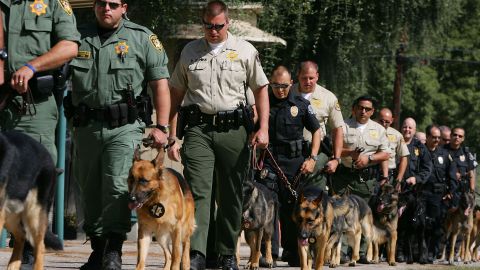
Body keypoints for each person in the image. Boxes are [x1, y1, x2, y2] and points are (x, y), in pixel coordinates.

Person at [166, 1, 270, 270]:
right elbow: (175, 94)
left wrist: (264, 128)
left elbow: (261, 90)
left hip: (234, 130)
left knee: (231, 194)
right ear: (203, 24)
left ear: (228, 23)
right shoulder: (190, 51)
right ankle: (197, 253)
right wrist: (170, 134)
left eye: (218, 26)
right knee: (198, 192)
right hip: (198, 129)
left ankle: (225, 253)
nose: (213, 31)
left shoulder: (245, 51)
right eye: (208, 26)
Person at [68, 0, 171, 269]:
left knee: (116, 185)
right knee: (89, 188)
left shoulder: (142, 38)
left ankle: (113, 248)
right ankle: (97, 247)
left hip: (124, 128)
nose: (107, 9)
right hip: (86, 126)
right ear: (94, 6)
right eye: (101, 3)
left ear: (124, 7)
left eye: (113, 4)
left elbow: (160, 83)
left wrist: (161, 127)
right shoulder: (75, 36)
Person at [0, 1, 80, 268]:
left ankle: (30, 250)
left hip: (31, 105)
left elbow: (69, 46)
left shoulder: (52, 3)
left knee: (30, 176)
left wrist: (32, 67)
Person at [256, 65, 320, 267]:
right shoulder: (264, 102)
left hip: (295, 164)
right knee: (270, 207)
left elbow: (316, 131)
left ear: (291, 84)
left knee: (294, 208)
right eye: (276, 85)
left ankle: (292, 252)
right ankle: (270, 253)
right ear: (270, 84)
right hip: (270, 161)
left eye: (284, 86)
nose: (280, 90)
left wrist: (313, 158)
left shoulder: (301, 104)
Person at [334, 95, 389, 263]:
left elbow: (386, 153)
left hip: (364, 180)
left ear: (372, 111)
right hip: (343, 175)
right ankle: (341, 252)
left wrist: (369, 159)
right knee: (340, 213)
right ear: (353, 108)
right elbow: (334, 149)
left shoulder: (379, 129)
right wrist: (350, 153)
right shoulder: (342, 125)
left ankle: (363, 252)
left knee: (363, 215)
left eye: (367, 109)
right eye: (360, 107)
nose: (363, 111)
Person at [292, 61, 344, 187]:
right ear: (298, 75)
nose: (308, 81)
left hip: (315, 154)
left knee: (314, 198)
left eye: (311, 78)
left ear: (317, 76)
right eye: (304, 78)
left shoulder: (328, 98)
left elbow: (338, 129)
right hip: (290, 153)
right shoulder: (288, 93)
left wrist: (336, 159)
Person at [396, 117, 432, 263]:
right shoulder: (395, 141)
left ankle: (409, 252)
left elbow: (427, 168)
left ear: (414, 130)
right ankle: (396, 251)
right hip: (396, 189)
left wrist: (416, 178)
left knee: (410, 224)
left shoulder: (419, 147)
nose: (407, 130)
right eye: (405, 127)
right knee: (396, 221)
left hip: (414, 191)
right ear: (401, 128)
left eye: (410, 128)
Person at [424, 125, 457, 263]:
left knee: (436, 225)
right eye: (434, 137)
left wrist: (451, 192)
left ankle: (432, 252)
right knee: (421, 224)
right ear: (427, 137)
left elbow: (452, 175)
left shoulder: (444, 154)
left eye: (439, 137)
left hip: (438, 195)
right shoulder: (420, 151)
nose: (437, 140)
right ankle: (418, 252)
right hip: (422, 194)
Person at [376, 108, 409, 187]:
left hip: (389, 174)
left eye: (387, 122)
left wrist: (399, 180)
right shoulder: (370, 131)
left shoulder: (397, 135)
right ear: (377, 118)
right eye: (381, 121)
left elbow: (404, 156)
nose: (384, 124)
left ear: (392, 120)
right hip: (371, 171)